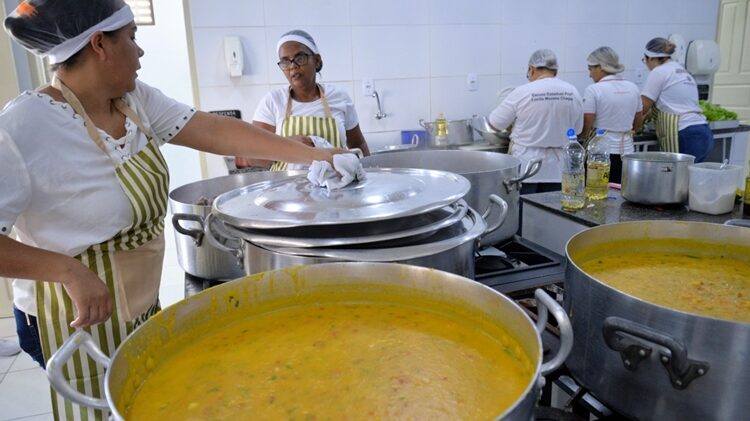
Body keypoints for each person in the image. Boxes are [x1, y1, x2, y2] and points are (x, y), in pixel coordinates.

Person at [0, 1, 347, 419]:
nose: (140, 51)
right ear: (99, 45)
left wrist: (319, 156)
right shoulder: (24, 126)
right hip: (70, 315)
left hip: (137, 303)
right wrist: (67, 271)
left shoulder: (133, 101)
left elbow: (216, 131)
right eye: (131, 38)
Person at [236, 29, 370, 170]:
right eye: (285, 62)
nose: (293, 66)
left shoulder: (339, 97)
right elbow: (252, 155)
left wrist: (368, 174)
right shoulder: (273, 101)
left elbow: (359, 145)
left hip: (336, 188)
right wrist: (286, 145)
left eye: (300, 58)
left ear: (316, 61)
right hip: (286, 188)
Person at [489, 49, 583, 194]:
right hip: (558, 170)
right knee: (552, 213)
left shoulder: (522, 91)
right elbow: (577, 130)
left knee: (526, 212)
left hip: (527, 167)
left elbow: (494, 124)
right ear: (555, 71)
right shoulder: (573, 92)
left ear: (531, 70)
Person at [641, 37, 713, 162]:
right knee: (690, 179)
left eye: (645, 60)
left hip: (683, 133)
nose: (646, 64)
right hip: (703, 131)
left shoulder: (659, 72)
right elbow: (667, 104)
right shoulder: (683, 72)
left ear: (651, 58)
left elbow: (643, 106)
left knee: (676, 178)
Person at [582, 46, 644, 183]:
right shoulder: (633, 87)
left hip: (600, 155)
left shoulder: (593, 90)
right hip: (627, 154)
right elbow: (638, 122)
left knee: (596, 196)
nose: (589, 74)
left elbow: (586, 127)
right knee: (621, 196)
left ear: (601, 67)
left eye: (590, 68)